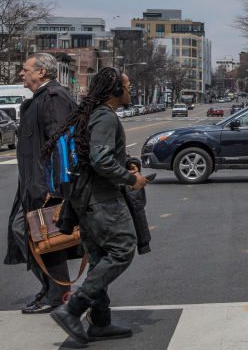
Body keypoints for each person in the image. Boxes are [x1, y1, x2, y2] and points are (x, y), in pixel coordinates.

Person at [48, 68, 150, 345]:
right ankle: (73, 309)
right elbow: (101, 160)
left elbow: (97, 154)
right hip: (101, 198)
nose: (129, 91)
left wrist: (124, 161)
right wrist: (132, 179)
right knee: (122, 249)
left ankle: (100, 322)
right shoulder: (105, 116)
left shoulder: (91, 114)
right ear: (115, 90)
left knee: (98, 256)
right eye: (127, 86)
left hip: (85, 197)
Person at [4, 53, 78, 314]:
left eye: (26, 70)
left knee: (45, 238)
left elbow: (60, 143)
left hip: (44, 187)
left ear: (41, 73)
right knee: (31, 236)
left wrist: (54, 187)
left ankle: (57, 293)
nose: (22, 74)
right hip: (31, 185)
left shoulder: (54, 98)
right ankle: (51, 288)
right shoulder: (40, 99)